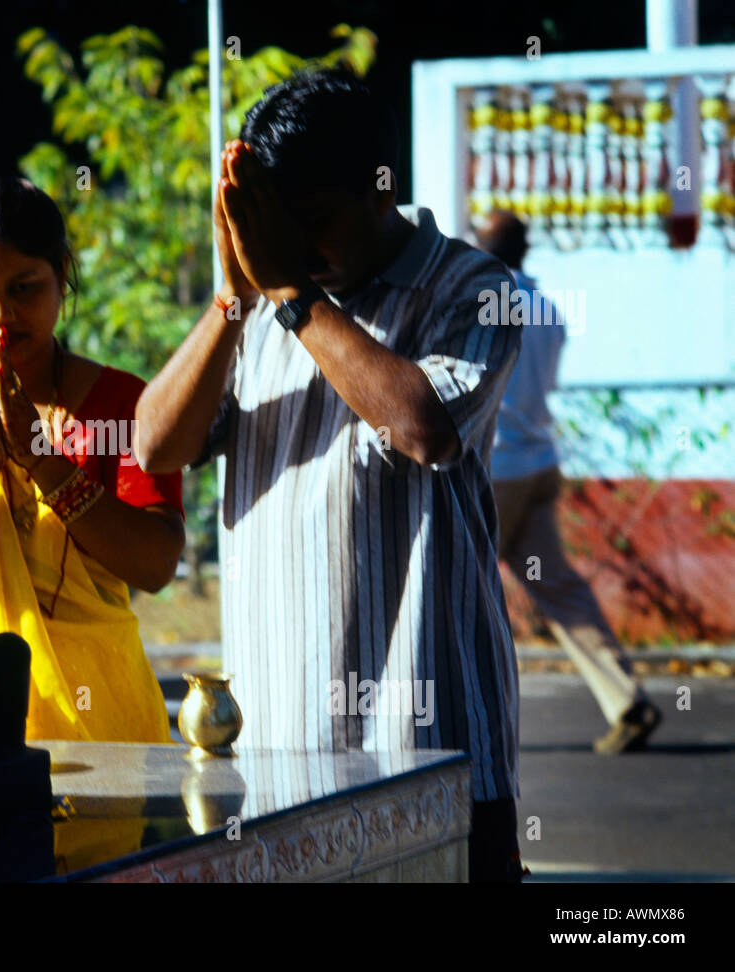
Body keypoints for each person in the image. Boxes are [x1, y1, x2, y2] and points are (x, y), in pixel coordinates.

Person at [134, 70, 524, 882]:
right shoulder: (262, 307)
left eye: (312, 222)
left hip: (431, 761)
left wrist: (289, 289)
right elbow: (155, 446)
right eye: (274, 224)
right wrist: (228, 299)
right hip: (280, 777)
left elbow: (425, 427)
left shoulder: (477, 291)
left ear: (382, 192)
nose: (291, 245)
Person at [0, 176, 183, 747]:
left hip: (105, 725)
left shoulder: (122, 403)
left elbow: (157, 565)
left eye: (24, 287)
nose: (0, 314)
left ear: (63, 277)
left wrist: (44, 463)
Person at [476, 209, 662, 755]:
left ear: (483, 250)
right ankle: (625, 697)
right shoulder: (548, 310)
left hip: (497, 470)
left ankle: (465, 731)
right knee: (559, 590)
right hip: (538, 464)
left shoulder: (479, 303)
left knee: (460, 592)